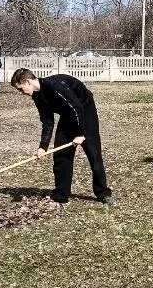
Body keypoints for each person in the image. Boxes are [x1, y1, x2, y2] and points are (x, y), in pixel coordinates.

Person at [10, 68, 113, 205]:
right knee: (61, 153)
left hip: (85, 111)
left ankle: (103, 193)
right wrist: (43, 146)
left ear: (28, 82)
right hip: (68, 115)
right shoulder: (37, 95)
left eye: (21, 89)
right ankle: (61, 193)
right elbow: (47, 120)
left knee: (93, 153)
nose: (21, 93)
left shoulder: (54, 86)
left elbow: (77, 108)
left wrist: (80, 134)